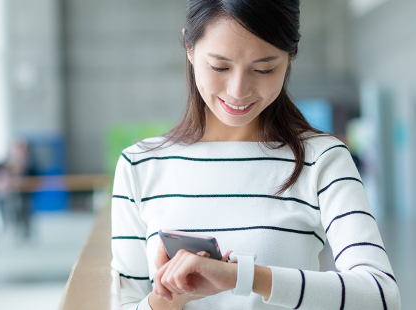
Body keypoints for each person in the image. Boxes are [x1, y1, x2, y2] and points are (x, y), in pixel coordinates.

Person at [110, 0, 401, 309]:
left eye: (264, 69)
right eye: (219, 66)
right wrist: (169, 298)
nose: (238, 90)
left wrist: (243, 278)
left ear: (290, 57)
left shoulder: (321, 159)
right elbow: (124, 303)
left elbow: (381, 295)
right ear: (190, 48)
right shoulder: (139, 165)